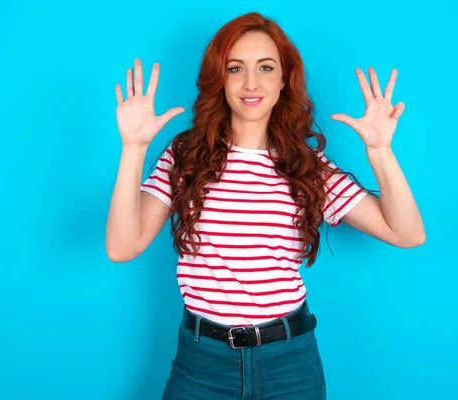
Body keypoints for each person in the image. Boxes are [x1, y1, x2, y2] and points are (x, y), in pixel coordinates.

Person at [106, 11, 425, 400]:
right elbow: (123, 247)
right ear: (219, 79)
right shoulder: (186, 156)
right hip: (200, 363)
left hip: (289, 364)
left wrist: (380, 151)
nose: (251, 83)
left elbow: (406, 233)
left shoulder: (305, 167)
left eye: (266, 67)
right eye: (236, 68)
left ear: (283, 80)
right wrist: (133, 149)